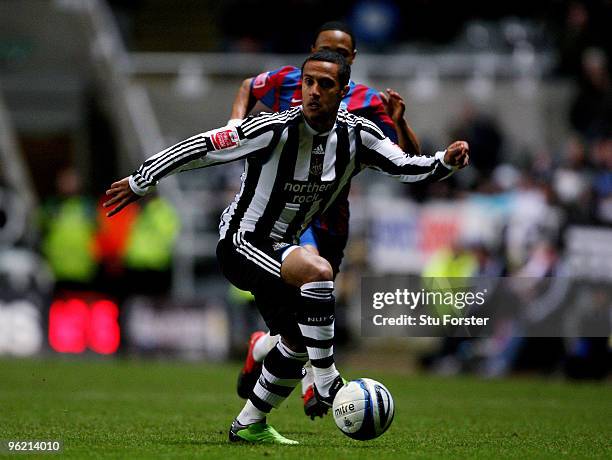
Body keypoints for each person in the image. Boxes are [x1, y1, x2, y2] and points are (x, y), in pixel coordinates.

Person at [104, 50, 469, 444]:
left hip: (282, 245)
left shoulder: (357, 136)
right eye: (308, 81)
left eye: (325, 84)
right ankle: (327, 379)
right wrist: (143, 180)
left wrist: (443, 162)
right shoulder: (274, 128)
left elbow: (403, 166)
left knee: (297, 340)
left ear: (343, 91)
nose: (312, 92)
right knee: (319, 270)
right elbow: (203, 146)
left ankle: (249, 424)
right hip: (242, 242)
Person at [229, 21, 422, 414]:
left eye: (341, 52)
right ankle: (318, 382)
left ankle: (264, 347)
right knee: (311, 288)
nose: (315, 87)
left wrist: (399, 121)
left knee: (306, 312)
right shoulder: (290, 80)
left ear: (351, 60)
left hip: (331, 213)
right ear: (312, 51)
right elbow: (249, 86)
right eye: (323, 49)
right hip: (285, 215)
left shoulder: (367, 100)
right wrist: (235, 128)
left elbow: (405, 159)